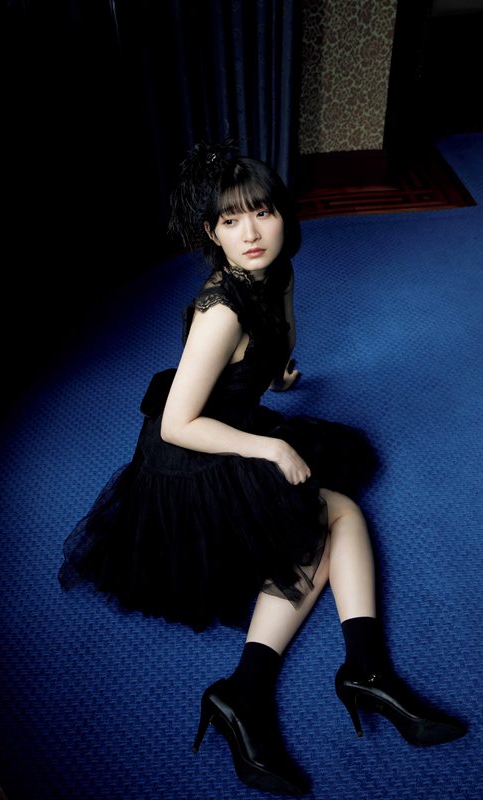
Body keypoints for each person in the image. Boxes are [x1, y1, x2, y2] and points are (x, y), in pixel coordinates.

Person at [59, 142, 467, 796]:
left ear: (283, 216)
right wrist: (268, 447)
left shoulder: (276, 272)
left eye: (262, 213)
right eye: (230, 221)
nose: (249, 233)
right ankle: (342, 675)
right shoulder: (221, 310)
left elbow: (279, 336)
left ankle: (277, 687)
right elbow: (176, 423)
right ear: (212, 234)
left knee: (329, 513)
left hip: (233, 421)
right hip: (192, 455)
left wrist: (275, 376)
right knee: (332, 515)